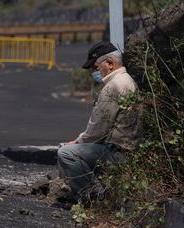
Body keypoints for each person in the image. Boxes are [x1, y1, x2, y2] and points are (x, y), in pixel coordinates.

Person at [57, 41, 142, 203]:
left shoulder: (114, 86)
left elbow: (98, 129)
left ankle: (90, 197)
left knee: (66, 153)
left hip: (118, 153)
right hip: (129, 150)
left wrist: (77, 142)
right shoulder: (127, 81)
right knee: (75, 149)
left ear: (109, 64)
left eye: (95, 67)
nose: (93, 72)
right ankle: (98, 192)